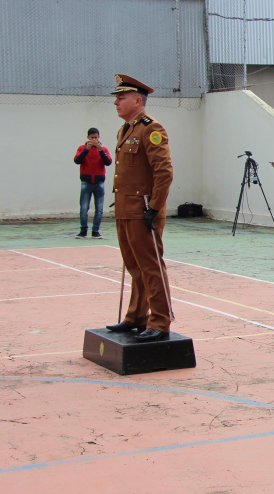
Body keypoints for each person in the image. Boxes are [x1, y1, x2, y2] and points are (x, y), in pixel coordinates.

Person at [105, 74, 174, 343]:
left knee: (151, 267)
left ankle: (160, 321)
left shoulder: (150, 129)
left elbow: (164, 172)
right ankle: (136, 316)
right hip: (125, 209)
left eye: (121, 98)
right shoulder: (125, 130)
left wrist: (154, 209)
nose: (116, 103)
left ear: (137, 100)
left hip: (144, 210)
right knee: (134, 267)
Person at [73, 127, 112, 239]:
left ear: (99, 137)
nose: (94, 139)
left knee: (99, 209)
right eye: (92, 137)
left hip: (99, 182)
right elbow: (77, 160)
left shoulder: (103, 149)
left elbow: (108, 162)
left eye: (96, 137)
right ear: (88, 138)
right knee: (84, 208)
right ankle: (83, 230)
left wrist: (100, 151)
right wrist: (86, 149)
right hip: (86, 182)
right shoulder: (82, 148)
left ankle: (95, 231)